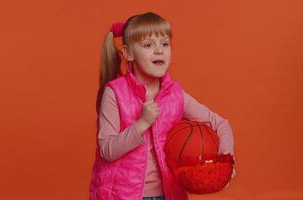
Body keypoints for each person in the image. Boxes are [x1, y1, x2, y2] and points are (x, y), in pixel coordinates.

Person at [89, 12, 236, 200]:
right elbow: (107, 150)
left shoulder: (175, 96)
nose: (159, 50)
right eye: (148, 45)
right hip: (122, 196)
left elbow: (221, 124)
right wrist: (141, 124)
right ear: (128, 53)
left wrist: (226, 160)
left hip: (168, 195)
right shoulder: (115, 93)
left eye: (165, 44)